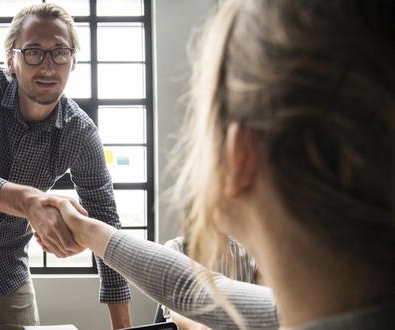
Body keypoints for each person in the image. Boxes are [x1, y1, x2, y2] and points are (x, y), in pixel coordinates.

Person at [44, 0, 395, 329]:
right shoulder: (313, 305)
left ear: (240, 156)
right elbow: (189, 287)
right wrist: (88, 230)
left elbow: (192, 291)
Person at [0, 3, 131, 330]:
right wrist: (30, 203)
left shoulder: (80, 132)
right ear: (11, 61)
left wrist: (123, 327)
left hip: (7, 266)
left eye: (60, 52)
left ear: (73, 61)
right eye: (33, 52)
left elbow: (106, 222)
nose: (47, 66)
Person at [161, 236, 262, 330]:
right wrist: (202, 328)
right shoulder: (176, 248)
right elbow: (173, 311)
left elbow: (265, 306)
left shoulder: (247, 254)